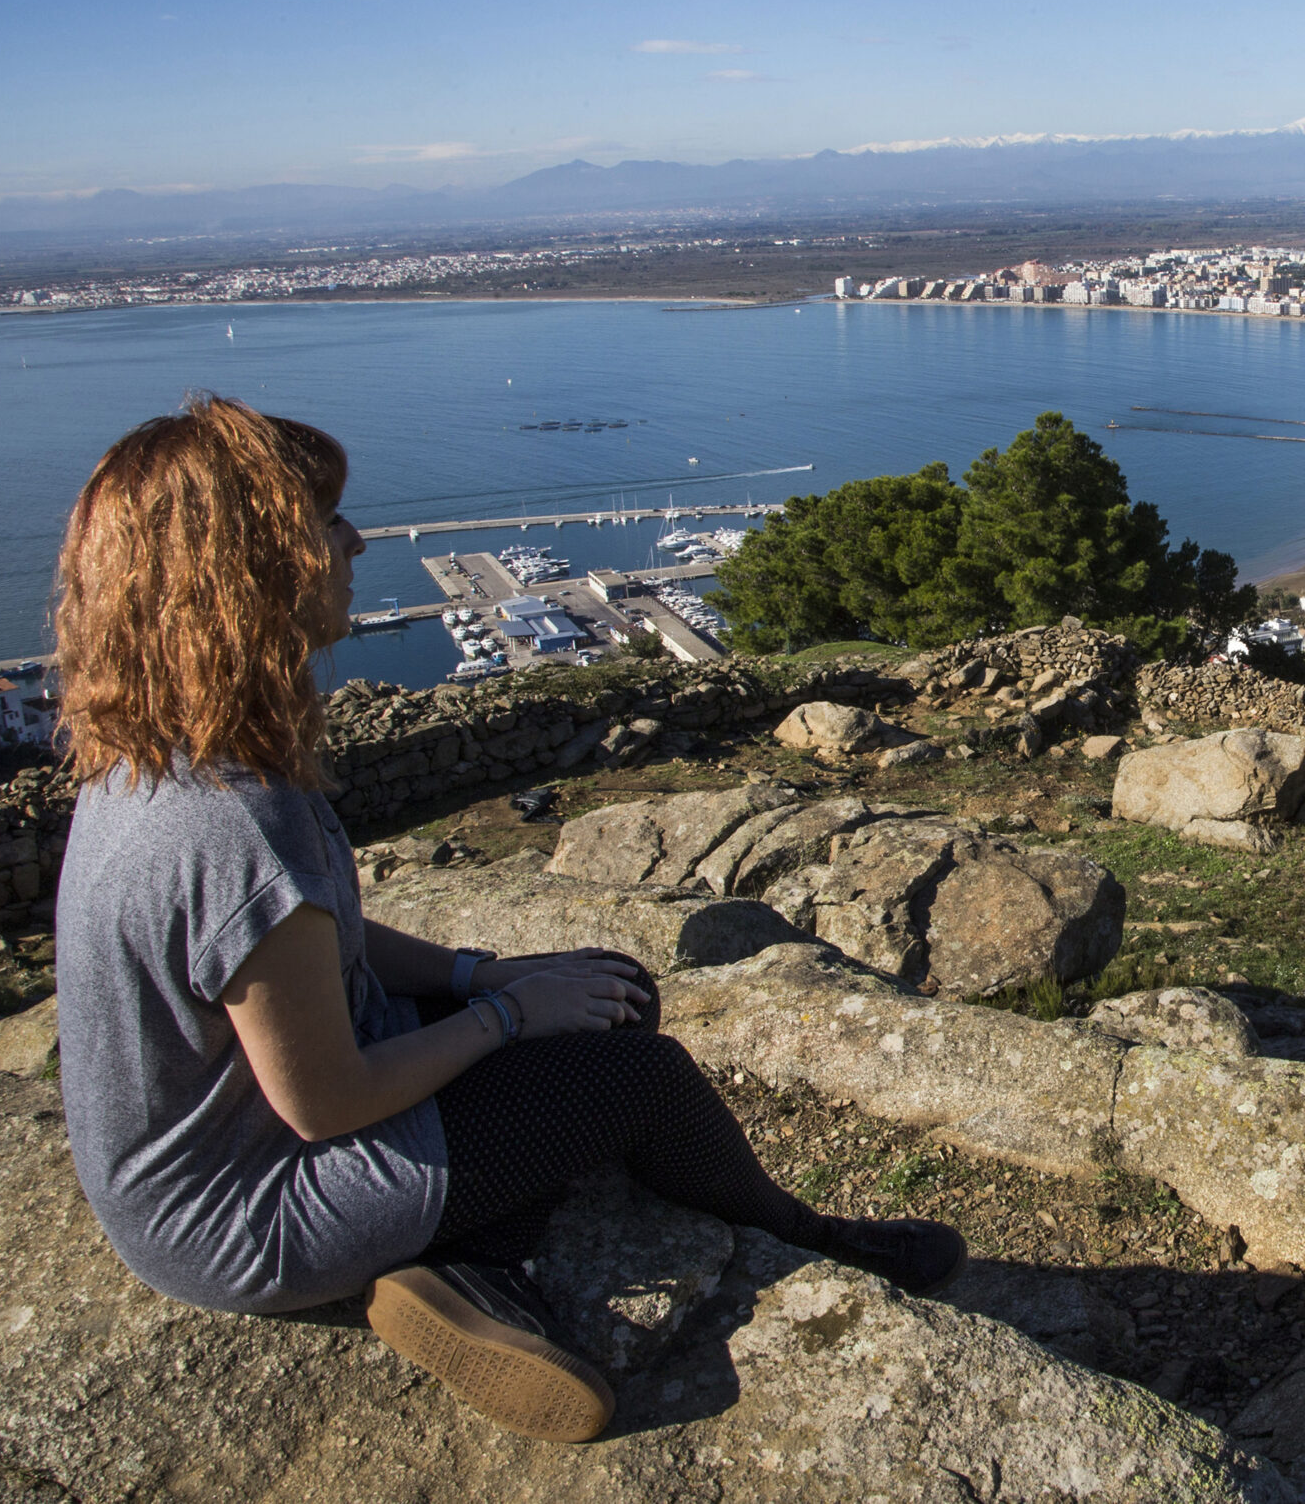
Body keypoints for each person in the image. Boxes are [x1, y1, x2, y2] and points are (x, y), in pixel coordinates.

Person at [52, 395, 962, 1444]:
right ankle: (801, 1243)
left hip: (212, 1166)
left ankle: (450, 1250)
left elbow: (319, 944)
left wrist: (482, 974)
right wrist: (506, 1019)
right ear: (243, 572)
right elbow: (328, 1099)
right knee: (640, 1074)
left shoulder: (162, 750)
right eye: (323, 520)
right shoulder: (231, 823)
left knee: (613, 989)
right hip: (252, 1210)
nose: (353, 541)